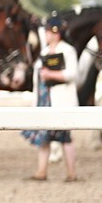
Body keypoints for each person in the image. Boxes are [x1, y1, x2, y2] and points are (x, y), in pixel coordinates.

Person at [22, 17, 79, 182]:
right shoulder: (44, 52)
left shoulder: (67, 50)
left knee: (65, 137)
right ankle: (41, 171)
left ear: (56, 33)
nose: (46, 35)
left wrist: (51, 74)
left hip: (60, 100)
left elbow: (72, 73)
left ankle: (71, 173)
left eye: (48, 32)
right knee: (44, 139)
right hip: (44, 99)